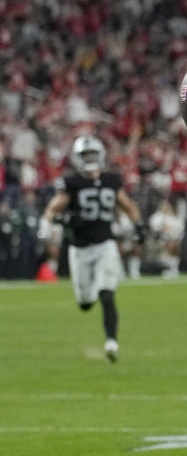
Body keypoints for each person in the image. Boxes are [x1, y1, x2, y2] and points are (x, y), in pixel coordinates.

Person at [38, 135, 144, 362]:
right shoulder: (71, 183)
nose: (89, 159)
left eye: (92, 154)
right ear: (77, 158)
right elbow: (52, 210)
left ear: (100, 155)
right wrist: (61, 220)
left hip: (106, 244)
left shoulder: (111, 180)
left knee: (107, 293)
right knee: (85, 303)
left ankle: (111, 342)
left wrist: (138, 225)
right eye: (85, 155)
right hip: (80, 248)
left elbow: (126, 205)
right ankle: (93, 292)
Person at [148, 198, 184, 279]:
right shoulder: (156, 216)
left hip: (174, 238)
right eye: (163, 205)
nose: (165, 207)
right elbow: (155, 228)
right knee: (171, 244)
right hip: (160, 239)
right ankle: (167, 268)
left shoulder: (173, 216)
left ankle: (174, 269)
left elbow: (179, 228)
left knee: (176, 245)